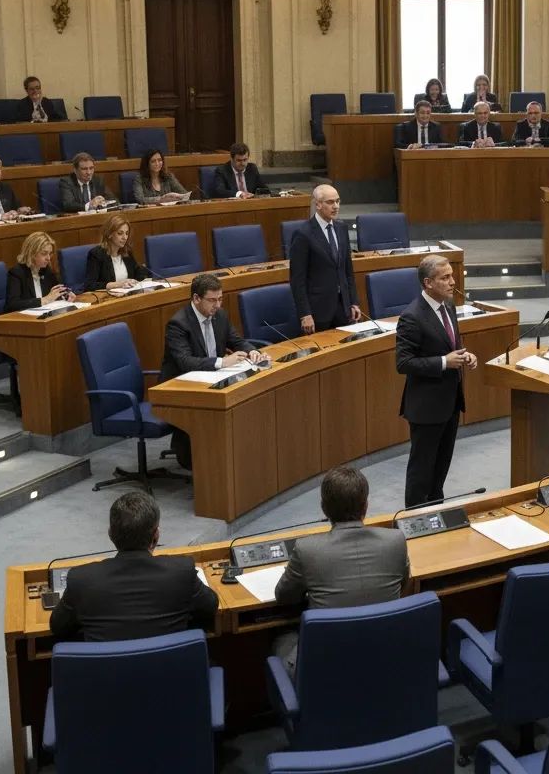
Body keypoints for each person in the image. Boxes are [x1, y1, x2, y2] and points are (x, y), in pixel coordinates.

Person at [272, 466, 409, 676]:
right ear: (366, 506)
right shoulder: (396, 541)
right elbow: (404, 584)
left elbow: (283, 596)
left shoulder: (307, 550)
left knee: (282, 640)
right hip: (384, 661)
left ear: (324, 508)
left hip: (326, 672)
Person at [49, 491, 217, 642]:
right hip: (171, 674)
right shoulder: (181, 571)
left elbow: (58, 628)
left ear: (110, 535)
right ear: (156, 536)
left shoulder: (82, 580)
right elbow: (210, 608)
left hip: (108, 676)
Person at [159, 273, 269, 468]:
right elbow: (185, 362)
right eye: (212, 300)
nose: (217, 305)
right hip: (182, 387)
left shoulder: (220, 315)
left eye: (220, 299)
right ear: (196, 298)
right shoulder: (178, 324)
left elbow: (236, 341)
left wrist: (254, 353)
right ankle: (202, 459)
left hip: (212, 380)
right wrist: (222, 362)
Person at [395, 254, 477, 507]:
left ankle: (436, 514)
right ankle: (414, 519)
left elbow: (453, 344)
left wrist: (466, 355)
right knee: (422, 471)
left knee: (440, 468)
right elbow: (403, 363)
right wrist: (444, 362)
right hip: (426, 407)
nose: (453, 282)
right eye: (446, 278)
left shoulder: (448, 306)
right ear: (428, 283)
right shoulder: (412, 316)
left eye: (452, 276)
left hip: (450, 402)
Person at [288, 183, 359, 333]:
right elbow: (297, 280)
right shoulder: (303, 234)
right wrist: (305, 314)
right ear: (318, 204)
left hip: (343, 308)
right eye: (330, 202)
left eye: (338, 201)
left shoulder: (341, 228)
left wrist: (353, 302)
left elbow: (347, 271)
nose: (336, 206)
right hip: (317, 312)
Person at [5, 231, 74, 311]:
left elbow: (56, 292)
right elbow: (12, 305)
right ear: (32, 253)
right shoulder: (17, 273)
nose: (48, 258)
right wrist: (44, 300)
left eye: (50, 253)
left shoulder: (47, 270)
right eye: (44, 253)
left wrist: (66, 296)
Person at [84, 215, 150, 291]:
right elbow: (89, 285)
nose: (125, 237)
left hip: (127, 295)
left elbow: (138, 273)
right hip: (107, 298)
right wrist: (117, 284)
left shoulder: (127, 252)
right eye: (120, 233)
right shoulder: (96, 254)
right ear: (109, 234)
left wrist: (137, 280)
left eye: (126, 233)